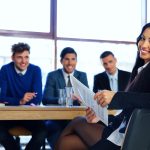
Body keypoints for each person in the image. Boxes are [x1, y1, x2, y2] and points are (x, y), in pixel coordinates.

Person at [55, 22, 150, 150]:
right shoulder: (140, 70)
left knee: (73, 128)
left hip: (127, 138)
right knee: (67, 142)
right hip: (119, 131)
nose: (144, 44)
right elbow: (126, 114)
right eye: (143, 38)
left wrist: (116, 97)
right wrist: (100, 117)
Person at [0, 42, 48, 150]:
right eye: (19, 57)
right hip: (9, 115)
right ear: (13, 58)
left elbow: (37, 98)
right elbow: (1, 97)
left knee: (42, 132)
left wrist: (11, 100)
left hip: (29, 115)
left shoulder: (36, 70)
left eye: (26, 57)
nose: (23, 61)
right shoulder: (5, 70)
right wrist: (20, 101)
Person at [42, 47, 89, 149]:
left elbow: (87, 98)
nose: (70, 63)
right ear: (61, 61)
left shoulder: (82, 76)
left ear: (76, 61)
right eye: (67, 59)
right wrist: (66, 98)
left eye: (73, 59)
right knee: (53, 131)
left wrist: (83, 100)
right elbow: (45, 99)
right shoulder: (52, 75)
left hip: (76, 117)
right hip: (56, 118)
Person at [93, 51, 131, 118]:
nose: (108, 66)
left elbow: (131, 96)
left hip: (125, 114)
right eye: (105, 64)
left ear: (115, 60)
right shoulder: (98, 78)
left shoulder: (128, 76)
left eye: (110, 62)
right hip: (107, 115)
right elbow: (95, 97)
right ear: (102, 64)